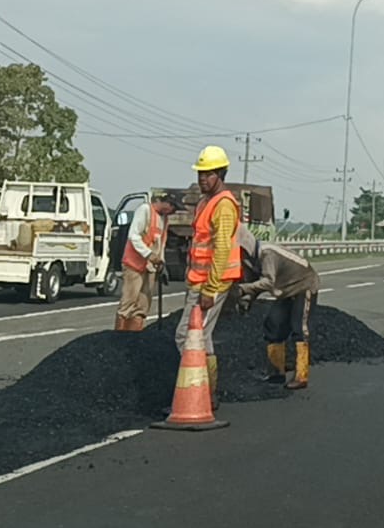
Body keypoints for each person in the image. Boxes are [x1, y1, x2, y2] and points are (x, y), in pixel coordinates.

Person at [179, 145, 242, 410]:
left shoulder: (224, 205)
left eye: (208, 174)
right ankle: (207, 394)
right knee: (202, 337)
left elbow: (222, 248)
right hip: (198, 279)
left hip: (212, 282)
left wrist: (211, 288)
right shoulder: (205, 202)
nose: (202, 179)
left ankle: (198, 392)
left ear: (221, 174)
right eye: (200, 174)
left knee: (186, 336)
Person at [236, 226, 320, 390]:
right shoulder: (250, 260)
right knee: (273, 324)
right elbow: (254, 285)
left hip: (304, 285)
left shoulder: (267, 254)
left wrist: (242, 290)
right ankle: (276, 373)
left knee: (300, 327)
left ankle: (301, 376)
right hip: (285, 291)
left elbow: (267, 282)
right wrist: (246, 302)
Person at [115, 190, 182, 332]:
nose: (173, 212)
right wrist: (148, 254)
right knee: (128, 302)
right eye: (173, 208)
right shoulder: (145, 210)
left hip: (150, 267)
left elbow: (161, 244)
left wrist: (161, 262)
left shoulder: (164, 219)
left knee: (143, 305)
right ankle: (119, 335)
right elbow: (133, 236)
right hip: (134, 264)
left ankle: (135, 335)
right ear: (166, 203)